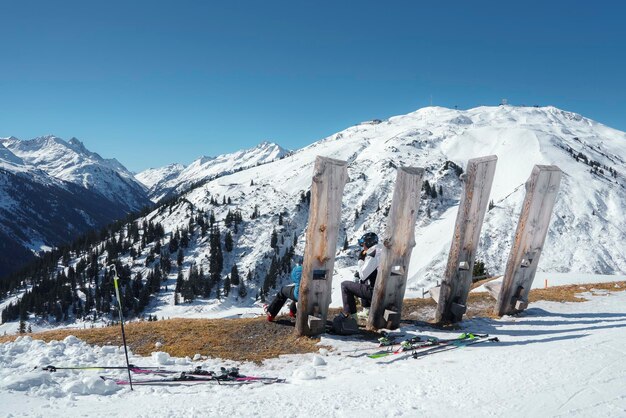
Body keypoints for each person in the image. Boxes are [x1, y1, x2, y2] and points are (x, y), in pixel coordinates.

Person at [340, 232, 381, 319]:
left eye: (363, 243)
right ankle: (367, 310)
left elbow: (363, 275)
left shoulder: (373, 253)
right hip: (387, 289)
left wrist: (360, 260)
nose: (363, 246)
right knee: (363, 279)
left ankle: (351, 318)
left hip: (376, 292)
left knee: (345, 285)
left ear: (369, 243)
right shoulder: (382, 250)